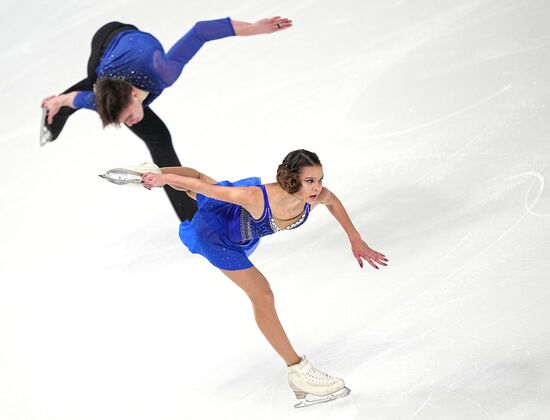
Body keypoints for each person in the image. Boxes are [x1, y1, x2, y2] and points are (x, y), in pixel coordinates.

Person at [131, 149, 388, 407]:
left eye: (320, 179)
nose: (317, 187)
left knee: (201, 183)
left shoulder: (316, 197)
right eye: (310, 181)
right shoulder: (255, 197)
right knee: (262, 295)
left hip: (238, 229)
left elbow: (333, 202)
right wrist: (164, 181)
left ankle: (151, 170)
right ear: (291, 179)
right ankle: (298, 372)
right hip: (215, 236)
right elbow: (198, 186)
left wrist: (356, 239)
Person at [41, 16, 292, 221]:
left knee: (144, 125)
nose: (129, 123)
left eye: (128, 116)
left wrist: (255, 28)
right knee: (98, 91)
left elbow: (201, 31)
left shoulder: (162, 71)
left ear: (133, 94)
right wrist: (57, 101)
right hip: (107, 55)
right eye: (124, 121)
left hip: (118, 40)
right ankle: (52, 116)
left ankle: (192, 217)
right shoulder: (100, 99)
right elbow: (76, 99)